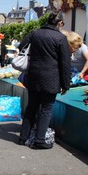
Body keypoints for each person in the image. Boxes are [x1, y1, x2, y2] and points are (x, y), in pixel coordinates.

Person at [18, 12, 71, 149]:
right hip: (51, 77)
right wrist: (66, 84)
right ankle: (40, 140)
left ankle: (23, 137)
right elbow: (65, 63)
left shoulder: (35, 33)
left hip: (34, 75)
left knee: (31, 107)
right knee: (46, 109)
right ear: (59, 23)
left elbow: (21, 46)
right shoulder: (60, 38)